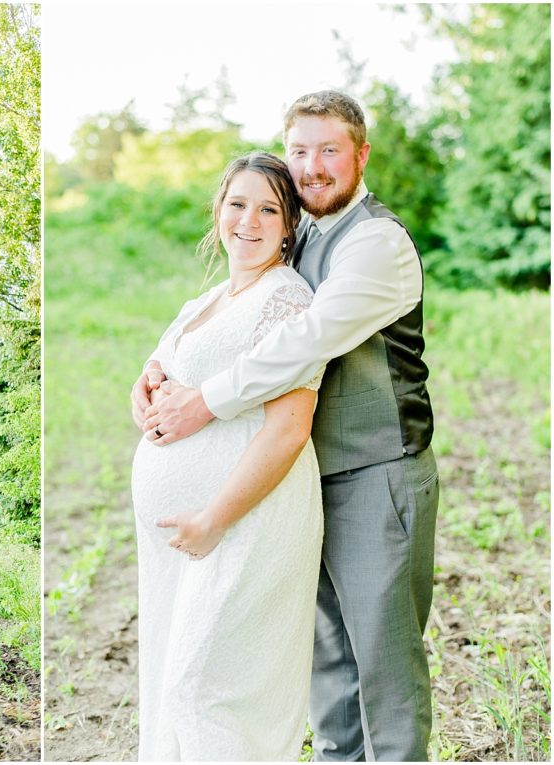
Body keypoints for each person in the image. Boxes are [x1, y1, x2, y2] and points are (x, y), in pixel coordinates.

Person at [134, 91, 439, 761]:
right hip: (300, 485)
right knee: (326, 659)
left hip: (375, 471)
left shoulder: (376, 244)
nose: (312, 165)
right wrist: (158, 363)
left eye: (330, 149)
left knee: (383, 662)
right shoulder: (300, 236)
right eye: (300, 150)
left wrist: (203, 400)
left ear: (360, 154)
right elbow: (229, 305)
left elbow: (304, 341)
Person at [131, 151, 325, 760]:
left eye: (269, 208)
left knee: (206, 690)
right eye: (238, 204)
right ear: (218, 211)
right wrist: (146, 384)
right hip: (184, 537)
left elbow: (290, 429)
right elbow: (170, 368)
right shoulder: (206, 300)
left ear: (289, 224)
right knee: (173, 685)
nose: (250, 220)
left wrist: (213, 518)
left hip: (245, 522)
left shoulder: (288, 300)